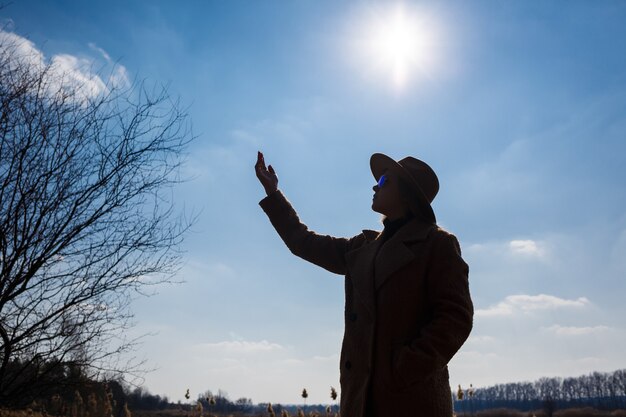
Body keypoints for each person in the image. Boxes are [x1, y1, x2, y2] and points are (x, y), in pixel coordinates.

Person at [255, 151, 473, 417]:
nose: (375, 185)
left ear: (407, 195)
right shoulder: (361, 248)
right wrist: (273, 193)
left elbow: (456, 318)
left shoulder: (437, 244)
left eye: (384, 181)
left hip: (411, 401)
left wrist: (403, 369)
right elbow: (303, 242)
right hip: (359, 403)